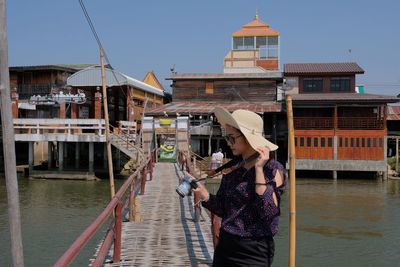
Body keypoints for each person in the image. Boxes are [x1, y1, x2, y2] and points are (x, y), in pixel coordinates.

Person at [193, 107, 286, 267]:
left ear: (249, 138)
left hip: (253, 250)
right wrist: (205, 195)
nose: (228, 143)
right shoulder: (233, 167)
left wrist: (258, 169)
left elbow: (268, 211)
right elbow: (224, 208)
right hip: (226, 245)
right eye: (227, 138)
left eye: (232, 138)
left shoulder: (272, 169)